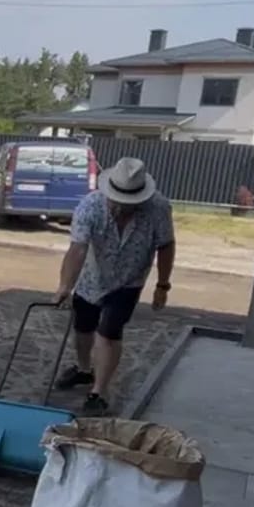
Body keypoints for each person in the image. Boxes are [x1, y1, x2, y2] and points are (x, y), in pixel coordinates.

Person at [53, 156, 176, 416]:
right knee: (83, 328)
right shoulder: (90, 206)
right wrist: (65, 285)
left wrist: (162, 285)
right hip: (91, 277)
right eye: (117, 201)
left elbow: (166, 245)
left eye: (129, 203)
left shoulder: (158, 209)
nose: (121, 207)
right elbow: (77, 249)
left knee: (109, 331)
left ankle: (98, 391)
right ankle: (84, 370)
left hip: (129, 280)